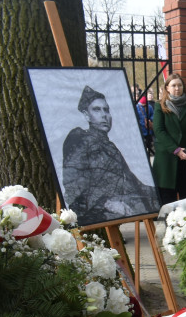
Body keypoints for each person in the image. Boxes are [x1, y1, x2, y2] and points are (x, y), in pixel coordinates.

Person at [62, 85, 161, 226]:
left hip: (121, 200)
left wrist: (156, 194)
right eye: (96, 109)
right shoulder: (79, 140)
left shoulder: (111, 146)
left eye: (106, 110)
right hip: (94, 210)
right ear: (86, 114)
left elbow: (132, 182)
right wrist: (106, 203)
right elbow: (74, 185)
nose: (104, 115)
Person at [152, 73, 186, 204]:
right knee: (168, 200)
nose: (177, 88)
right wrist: (176, 149)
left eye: (180, 85)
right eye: (173, 85)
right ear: (167, 88)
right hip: (167, 160)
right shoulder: (160, 106)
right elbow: (158, 130)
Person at [136, 90, 154, 156]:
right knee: (144, 143)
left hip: (147, 129)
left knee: (148, 142)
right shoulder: (137, 107)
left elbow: (153, 115)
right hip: (142, 129)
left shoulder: (149, 107)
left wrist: (150, 120)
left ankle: (148, 152)